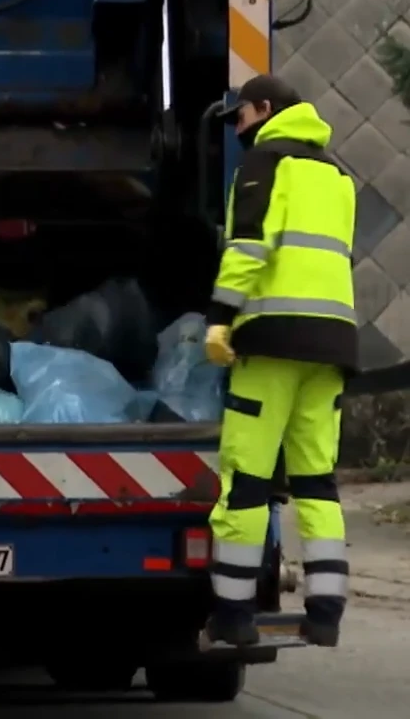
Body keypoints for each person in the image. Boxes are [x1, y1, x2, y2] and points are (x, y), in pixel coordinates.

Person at [203, 73, 356, 649]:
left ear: (265, 109)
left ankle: (234, 615)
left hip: (271, 344)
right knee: (317, 481)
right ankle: (324, 612)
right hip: (333, 345)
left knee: (246, 482)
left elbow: (247, 247)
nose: (237, 129)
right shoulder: (338, 173)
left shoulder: (265, 164)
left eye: (239, 116)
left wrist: (221, 317)